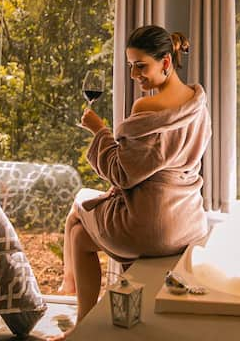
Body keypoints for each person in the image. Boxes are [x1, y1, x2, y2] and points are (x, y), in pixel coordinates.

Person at [51, 26, 211, 338]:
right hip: (188, 219)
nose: (135, 75)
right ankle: (75, 301)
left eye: (141, 66)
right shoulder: (196, 101)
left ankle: (78, 316)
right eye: (130, 66)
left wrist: (99, 131)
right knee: (81, 230)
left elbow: (122, 173)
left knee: (79, 227)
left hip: (151, 226)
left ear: (166, 62)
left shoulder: (146, 108)